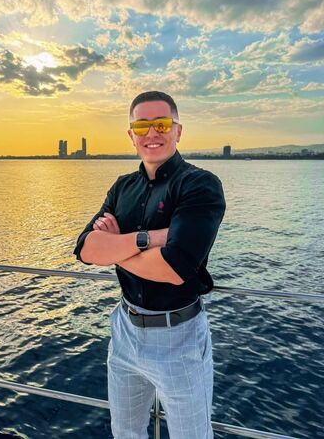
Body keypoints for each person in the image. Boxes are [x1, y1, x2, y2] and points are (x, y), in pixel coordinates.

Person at [73, 91, 226, 439]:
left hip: (179, 337)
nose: (152, 133)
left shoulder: (199, 185)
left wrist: (115, 246)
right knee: (125, 432)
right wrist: (150, 239)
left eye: (162, 124)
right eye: (141, 126)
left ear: (178, 130)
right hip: (124, 331)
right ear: (131, 135)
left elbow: (173, 270)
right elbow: (85, 249)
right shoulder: (122, 187)